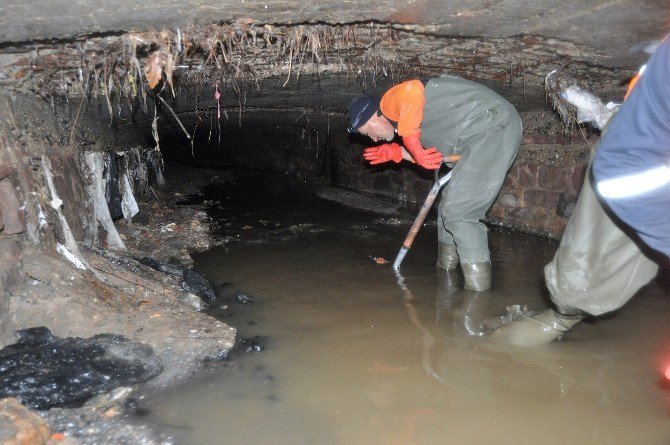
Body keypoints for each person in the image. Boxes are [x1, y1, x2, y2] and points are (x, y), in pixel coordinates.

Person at [494, 35, 670, 347]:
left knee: (582, 280)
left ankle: (558, 318)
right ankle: (610, 119)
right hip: (640, 149)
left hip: (639, 152)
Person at [348, 76, 522, 291]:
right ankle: (446, 279)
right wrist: (399, 152)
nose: (373, 139)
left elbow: (412, 89)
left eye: (367, 132)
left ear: (373, 117)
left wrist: (411, 144)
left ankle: (477, 299)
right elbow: (434, 158)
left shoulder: (388, 104)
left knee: (458, 213)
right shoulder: (411, 121)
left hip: (491, 126)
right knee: (445, 212)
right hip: (476, 138)